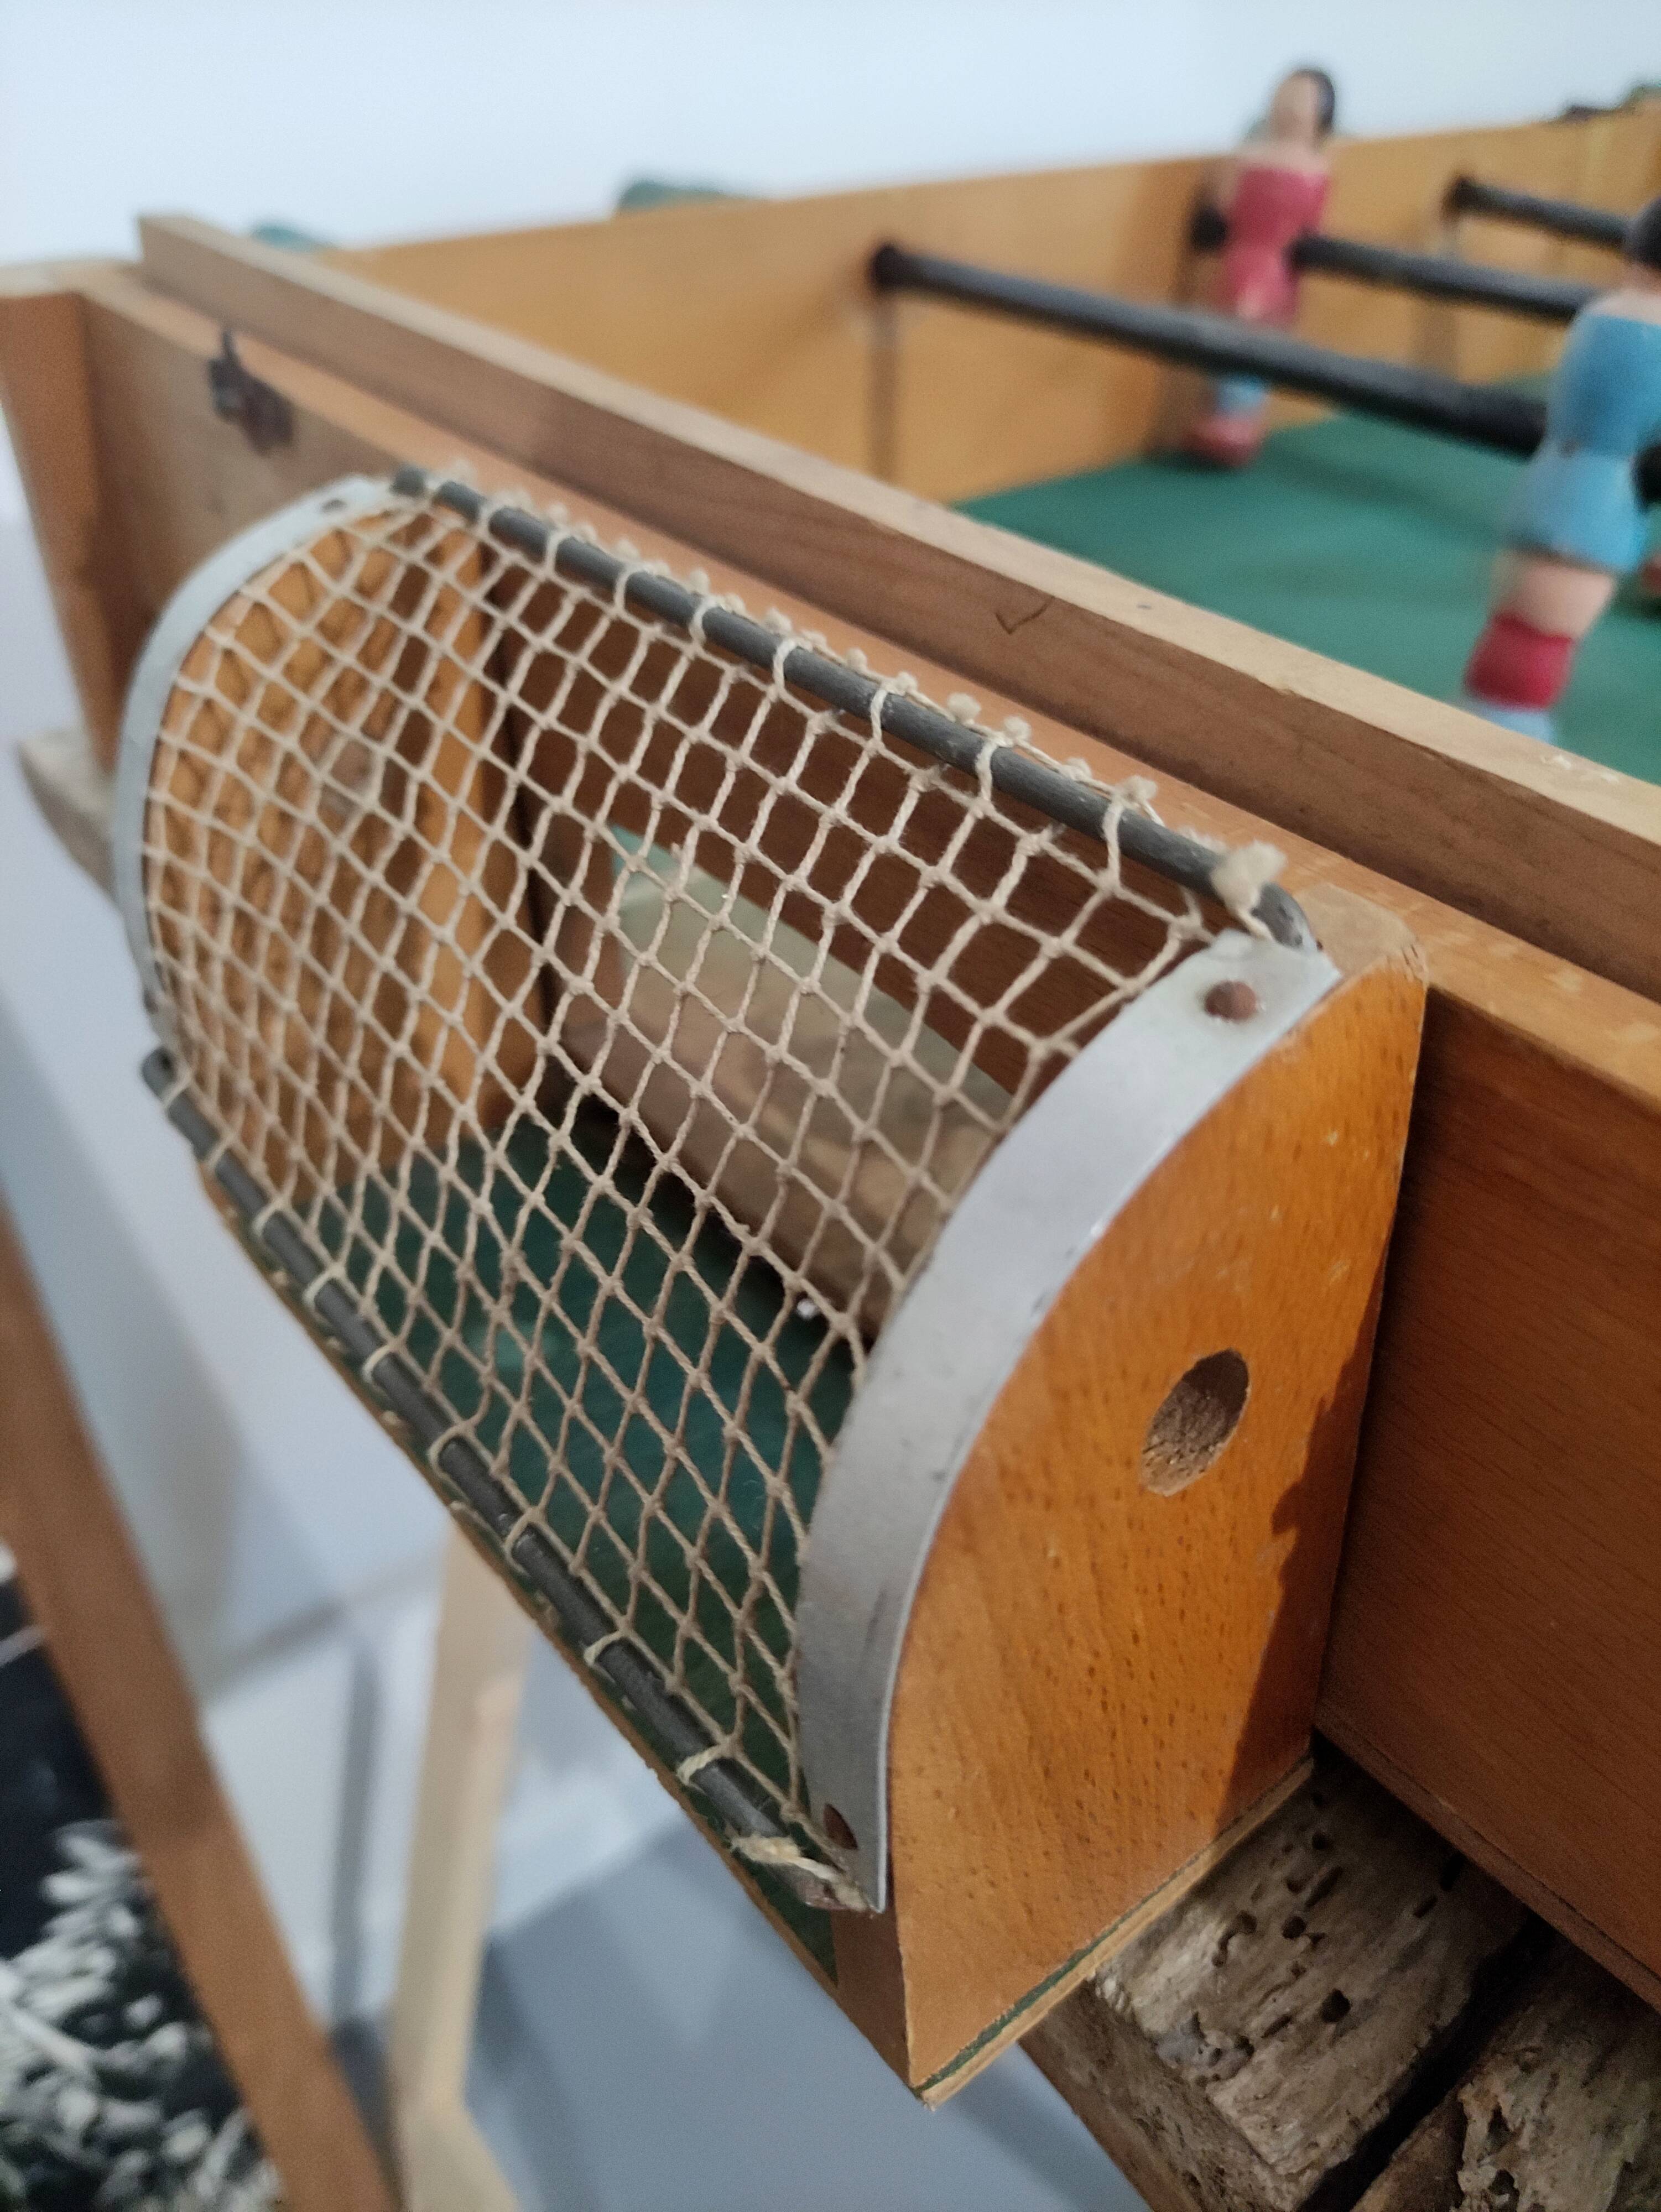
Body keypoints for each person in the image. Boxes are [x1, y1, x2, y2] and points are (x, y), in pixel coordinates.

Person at [1461, 195, 1661, 740]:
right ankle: (1504, 733)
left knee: (1519, 624)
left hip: (1552, 483)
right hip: (1602, 507)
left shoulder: (1599, 313)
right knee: (1542, 634)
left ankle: (1496, 719)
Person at [1184, 67, 1337, 468]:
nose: (1289, 107)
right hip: (1239, 257)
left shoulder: (1316, 167)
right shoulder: (1248, 157)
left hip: (1275, 267)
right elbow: (1224, 205)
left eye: (1302, 100)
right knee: (1226, 335)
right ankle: (1219, 418)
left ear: (1321, 114)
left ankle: (1238, 423)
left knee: (1255, 339)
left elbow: (1311, 225)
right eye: (1285, 95)